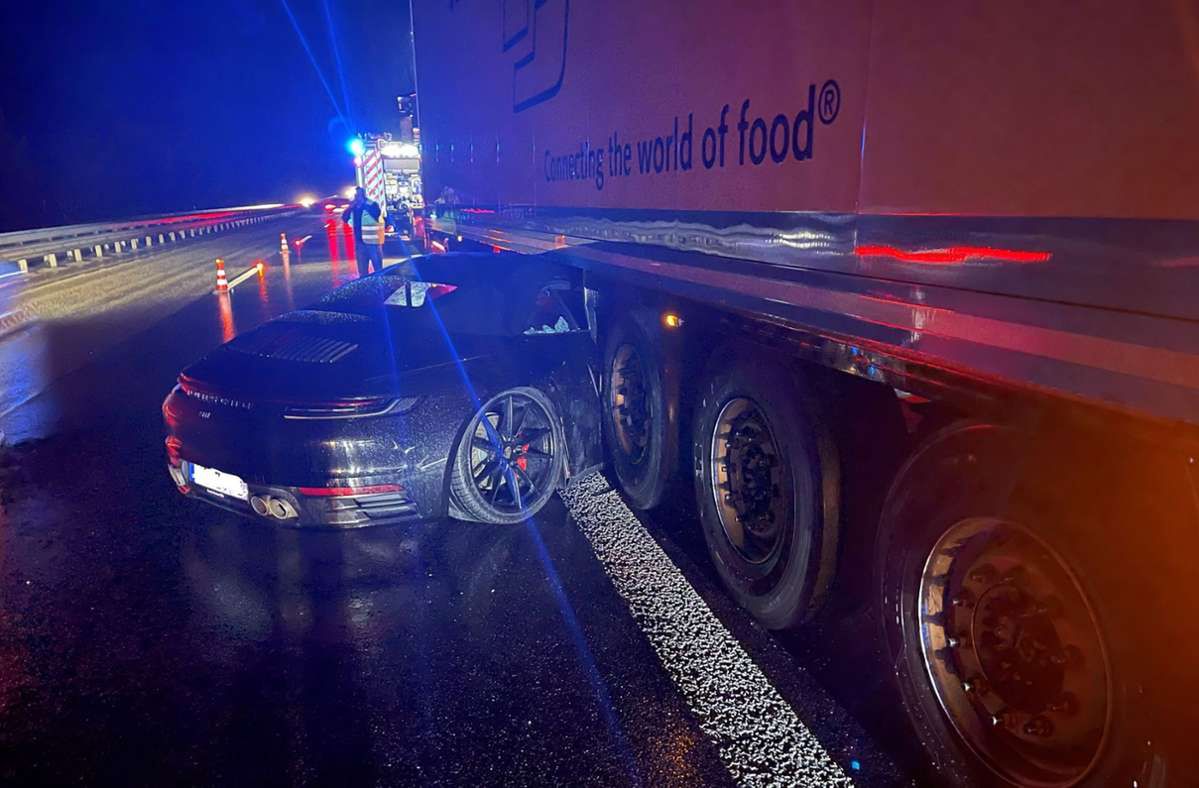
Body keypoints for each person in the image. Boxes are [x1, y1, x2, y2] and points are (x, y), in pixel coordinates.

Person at [341, 187, 384, 276]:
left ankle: (380, 285)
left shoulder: (371, 204)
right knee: (362, 271)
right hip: (359, 242)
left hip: (373, 243)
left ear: (363, 195)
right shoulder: (354, 207)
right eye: (356, 195)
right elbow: (344, 217)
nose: (357, 197)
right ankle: (365, 286)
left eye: (359, 195)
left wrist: (364, 205)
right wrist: (351, 207)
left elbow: (377, 214)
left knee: (378, 269)